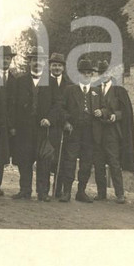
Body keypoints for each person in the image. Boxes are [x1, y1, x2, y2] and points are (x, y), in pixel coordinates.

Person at [10, 46, 62, 201]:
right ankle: (25, 190)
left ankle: (42, 192)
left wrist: (49, 119)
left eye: (39, 60)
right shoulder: (20, 81)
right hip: (24, 128)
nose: (36, 63)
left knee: (44, 161)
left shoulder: (51, 82)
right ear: (29, 62)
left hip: (43, 129)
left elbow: (57, 104)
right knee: (24, 160)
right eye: (34, 60)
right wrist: (13, 126)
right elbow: (13, 105)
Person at [92, 60, 134, 204]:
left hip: (112, 133)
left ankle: (120, 194)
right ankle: (101, 193)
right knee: (98, 163)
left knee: (114, 163)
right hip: (98, 132)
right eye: (101, 73)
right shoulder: (96, 89)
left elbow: (126, 112)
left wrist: (115, 116)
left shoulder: (119, 90)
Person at [58, 59, 99, 203]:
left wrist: (102, 111)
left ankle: (81, 191)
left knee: (86, 162)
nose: (86, 76)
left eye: (89, 73)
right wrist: (67, 121)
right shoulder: (70, 90)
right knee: (70, 160)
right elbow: (61, 108)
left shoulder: (96, 91)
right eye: (83, 73)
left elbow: (105, 107)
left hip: (90, 132)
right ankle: (67, 191)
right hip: (74, 130)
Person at [0, 45, 18, 196]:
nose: (6, 61)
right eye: (3, 58)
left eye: (8, 58)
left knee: (1, 155)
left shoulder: (14, 80)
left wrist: (12, 125)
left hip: (6, 126)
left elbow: (15, 106)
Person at [47, 52, 73, 196]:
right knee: (47, 158)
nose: (56, 68)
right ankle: (44, 189)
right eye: (54, 65)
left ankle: (58, 189)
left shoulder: (69, 85)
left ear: (63, 68)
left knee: (61, 158)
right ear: (50, 66)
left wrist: (66, 121)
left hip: (62, 128)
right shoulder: (43, 82)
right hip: (48, 127)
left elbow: (70, 107)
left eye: (59, 65)